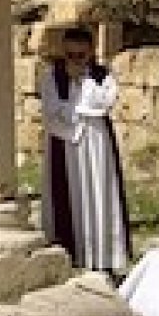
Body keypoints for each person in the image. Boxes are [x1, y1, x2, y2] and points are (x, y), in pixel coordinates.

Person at [39, 26, 131, 278]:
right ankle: (67, 254)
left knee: (98, 194)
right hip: (64, 142)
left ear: (91, 52)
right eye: (70, 55)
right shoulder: (51, 76)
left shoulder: (102, 76)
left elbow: (104, 103)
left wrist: (82, 82)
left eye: (81, 55)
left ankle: (101, 256)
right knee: (67, 197)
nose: (75, 61)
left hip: (96, 143)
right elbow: (50, 110)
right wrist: (77, 108)